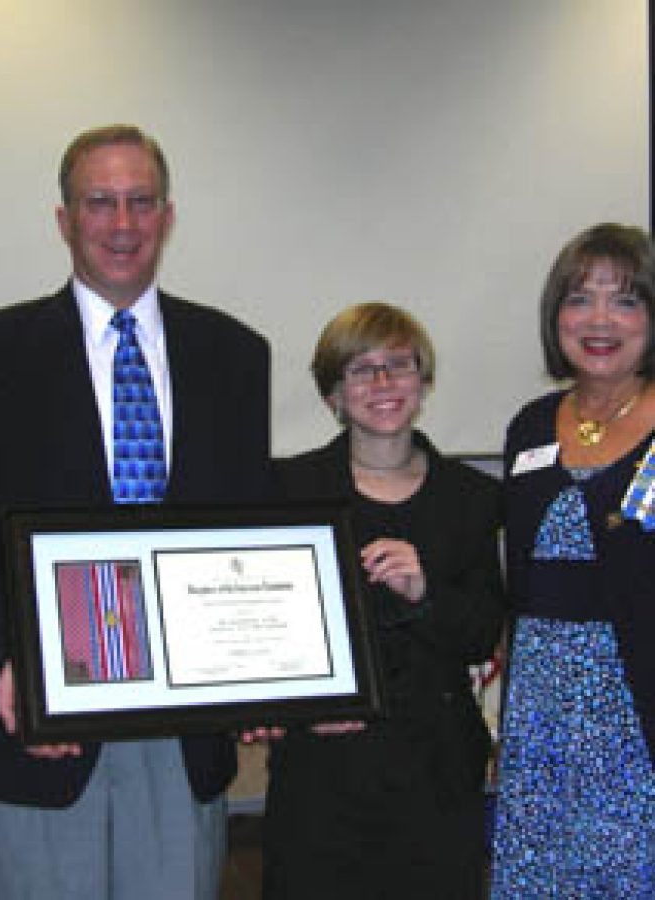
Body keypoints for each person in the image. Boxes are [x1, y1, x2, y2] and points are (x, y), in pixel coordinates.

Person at [0, 124, 270, 899]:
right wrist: (8, 664)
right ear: (64, 219)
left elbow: (246, 538)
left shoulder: (235, 355)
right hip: (39, 724)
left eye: (141, 202)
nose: (122, 224)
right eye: (99, 202)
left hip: (183, 733)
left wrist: (263, 670)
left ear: (167, 218)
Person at [262, 302, 505, 900]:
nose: (382, 383)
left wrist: (426, 593)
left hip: (438, 771)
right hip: (322, 771)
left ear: (422, 384)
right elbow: (262, 626)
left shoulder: (474, 497)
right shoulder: (287, 490)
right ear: (333, 397)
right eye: (360, 369)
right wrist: (294, 707)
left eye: (399, 365)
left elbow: (483, 632)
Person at [491, 224, 655, 897]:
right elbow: (519, 584)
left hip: (635, 715)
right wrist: (508, 720)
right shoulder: (530, 426)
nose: (598, 321)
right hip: (541, 717)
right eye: (579, 299)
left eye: (625, 301)